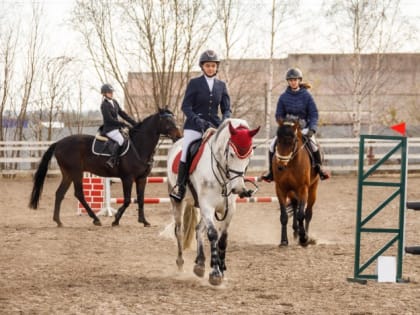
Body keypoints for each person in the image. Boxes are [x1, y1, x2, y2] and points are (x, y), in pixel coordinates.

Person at [169, 49, 232, 202]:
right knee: (186, 152)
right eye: (207, 65)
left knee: (230, 148)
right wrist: (197, 120)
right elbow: (186, 107)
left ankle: (234, 184)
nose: (210, 68)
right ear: (202, 67)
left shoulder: (221, 86)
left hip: (215, 126)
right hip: (194, 126)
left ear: (216, 67)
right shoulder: (194, 83)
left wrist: (224, 121)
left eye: (213, 65)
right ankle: (181, 187)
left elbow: (227, 109)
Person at [261, 68, 330, 182]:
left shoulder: (307, 96)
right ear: (288, 82)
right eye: (291, 80)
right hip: (288, 129)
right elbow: (278, 114)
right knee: (272, 145)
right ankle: (271, 172)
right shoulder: (283, 97)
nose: (293, 82)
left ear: (299, 80)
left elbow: (313, 114)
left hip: (303, 128)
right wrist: (284, 123)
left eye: (295, 80)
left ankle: (319, 169)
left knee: (314, 145)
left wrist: (312, 129)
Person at [100, 83, 138, 168]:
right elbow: (109, 119)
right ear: (104, 94)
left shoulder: (114, 102)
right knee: (121, 140)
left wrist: (134, 123)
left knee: (128, 139)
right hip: (109, 129)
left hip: (117, 128)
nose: (111, 93)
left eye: (111, 92)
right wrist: (122, 124)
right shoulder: (104, 105)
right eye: (109, 92)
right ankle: (112, 160)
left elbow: (122, 114)